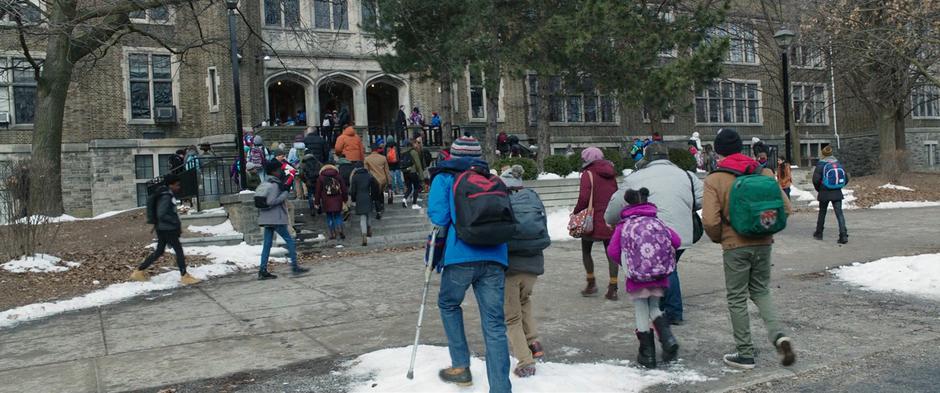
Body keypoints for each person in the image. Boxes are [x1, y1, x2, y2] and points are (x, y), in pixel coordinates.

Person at [702, 128, 795, 370]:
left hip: (734, 245)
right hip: (763, 242)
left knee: (736, 297)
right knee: (761, 291)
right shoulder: (763, 171)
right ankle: (778, 335)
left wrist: (720, 238)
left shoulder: (714, 179)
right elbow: (785, 209)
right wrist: (764, 229)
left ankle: (745, 353)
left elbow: (710, 221)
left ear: (719, 152)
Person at [427, 136, 511, 391]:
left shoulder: (445, 177)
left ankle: (461, 366)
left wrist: (433, 254)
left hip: (460, 254)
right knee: (494, 322)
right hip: (495, 255)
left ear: (452, 155)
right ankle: (500, 387)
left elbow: (439, 218)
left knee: (449, 304)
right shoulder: (492, 178)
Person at [605, 142, 703, 325]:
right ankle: (665, 307)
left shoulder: (635, 178)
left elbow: (616, 206)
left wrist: (609, 218)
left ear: (647, 157)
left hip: (648, 231)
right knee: (669, 266)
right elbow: (701, 199)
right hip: (681, 231)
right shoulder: (686, 175)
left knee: (667, 269)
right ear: (667, 156)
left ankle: (671, 311)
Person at [607, 188, 681, 369]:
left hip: (637, 278)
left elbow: (612, 251)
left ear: (627, 204)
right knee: (655, 307)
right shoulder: (657, 221)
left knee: (641, 311)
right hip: (659, 274)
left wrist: (628, 263)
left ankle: (647, 355)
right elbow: (677, 241)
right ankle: (668, 338)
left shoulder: (624, 225)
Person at [501, 165, 549, 378]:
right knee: (524, 301)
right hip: (533, 264)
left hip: (511, 267)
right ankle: (533, 342)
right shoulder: (533, 197)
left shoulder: (502, 202)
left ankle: (525, 361)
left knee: (511, 318)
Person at [130, 174, 200, 285]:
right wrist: (175, 222)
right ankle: (184, 276)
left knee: (159, 251)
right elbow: (161, 213)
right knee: (178, 250)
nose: (179, 187)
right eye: (177, 185)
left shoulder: (164, 193)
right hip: (167, 228)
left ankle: (139, 271)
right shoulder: (166, 196)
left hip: (161, 227)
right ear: (171, 185)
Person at [573, 147, 619, 300]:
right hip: (610, 218)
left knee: (586, 250)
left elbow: (584, 198)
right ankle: (613, 287)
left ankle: (591, 283)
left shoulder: (588, 174)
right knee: (611, 253)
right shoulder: (611, 173)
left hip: (591, 220)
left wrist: (576, 211)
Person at [255, 161, 308, 280]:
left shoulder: (264, 183)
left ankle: (262, 270)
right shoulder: (274, 185)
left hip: (266, 218)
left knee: (267, 245)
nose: (280, 172)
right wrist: (284, 194)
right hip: (276, 218)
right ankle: (295, 267)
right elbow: (271, 201)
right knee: (289, 240)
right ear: (274, 171)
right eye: (279, 170)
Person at [813, 145, 849, 244]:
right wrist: (838, 186)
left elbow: (815, 180)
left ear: (823, 154)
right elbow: (846, 178)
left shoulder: (820, 165)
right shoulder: (837, 163)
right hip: (837, 192)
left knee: (822, 213)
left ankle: (819, 233)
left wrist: (819, 189)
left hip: (824, 192)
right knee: (839, 214)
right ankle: (843, 235)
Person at [315, 163, 348, 240]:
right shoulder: (338, 176)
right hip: (338, 199)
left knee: (329, 216)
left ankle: (332, 233)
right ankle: (340, 230)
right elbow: (343, 188)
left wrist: (317, 202)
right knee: (338, 215)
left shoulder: (321, 178)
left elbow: (318, 191)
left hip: (326, 200)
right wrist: (345, 199)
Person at [349, 166, 379, 246]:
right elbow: (375, 185)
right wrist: (374, 196)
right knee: (368, 214)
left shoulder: (355, 177)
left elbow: (353, 190)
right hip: (368, 196)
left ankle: (364, 235)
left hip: (359, 198)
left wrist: (354, 199)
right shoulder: (369, 175)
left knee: (362, 217)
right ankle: (369, 228)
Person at [364, 143, 391, 218]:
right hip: (383, 179)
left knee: (375, 196)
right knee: (381, 192)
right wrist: (389, 182)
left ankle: (378, 210)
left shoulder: (367, 159)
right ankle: (382, 205)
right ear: (377, 149)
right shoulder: (383, 158)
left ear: (371, 150)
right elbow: (387, 171)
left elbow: (366, 171)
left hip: (374, 179)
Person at [399, 139, 425, 208]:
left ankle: (404, 199)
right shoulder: (413, 152)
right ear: (411, 145)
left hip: (405, 172)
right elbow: (418, 165)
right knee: (416, 187)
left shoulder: (402, 152)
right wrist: (422, 177)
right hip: (413, 172)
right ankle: (414, 204)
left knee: (409, 188)